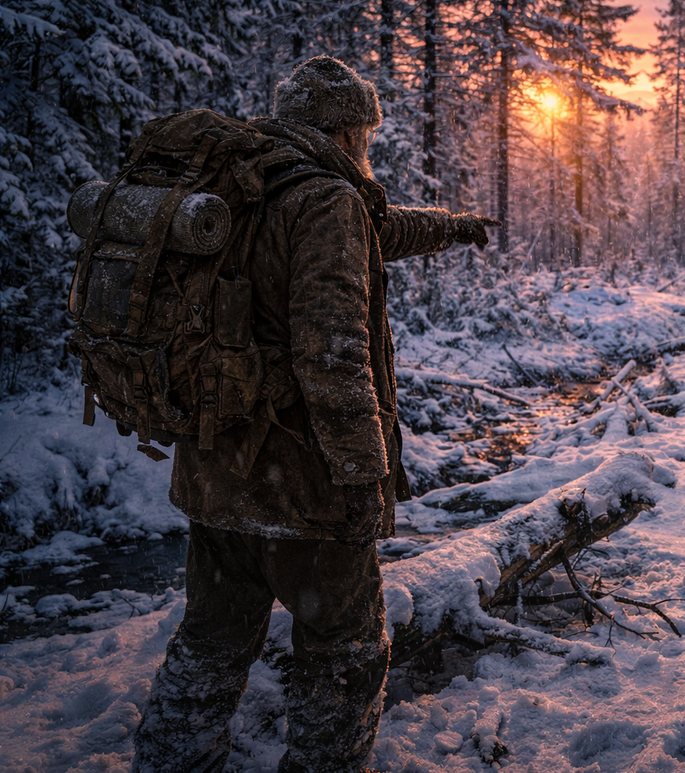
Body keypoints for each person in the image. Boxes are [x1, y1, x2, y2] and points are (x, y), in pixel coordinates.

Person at [133, 57, 495, 773]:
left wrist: (451, 228)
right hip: (301, 486)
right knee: (344, 652)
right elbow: (332, 354)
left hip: (216, 474)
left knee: (209, 644)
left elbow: (375, 233)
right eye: (365, 130)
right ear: (345, 128)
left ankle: (171, 763)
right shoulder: (324, 199)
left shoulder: (243, 188)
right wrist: (364, 478)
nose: (368, 143)